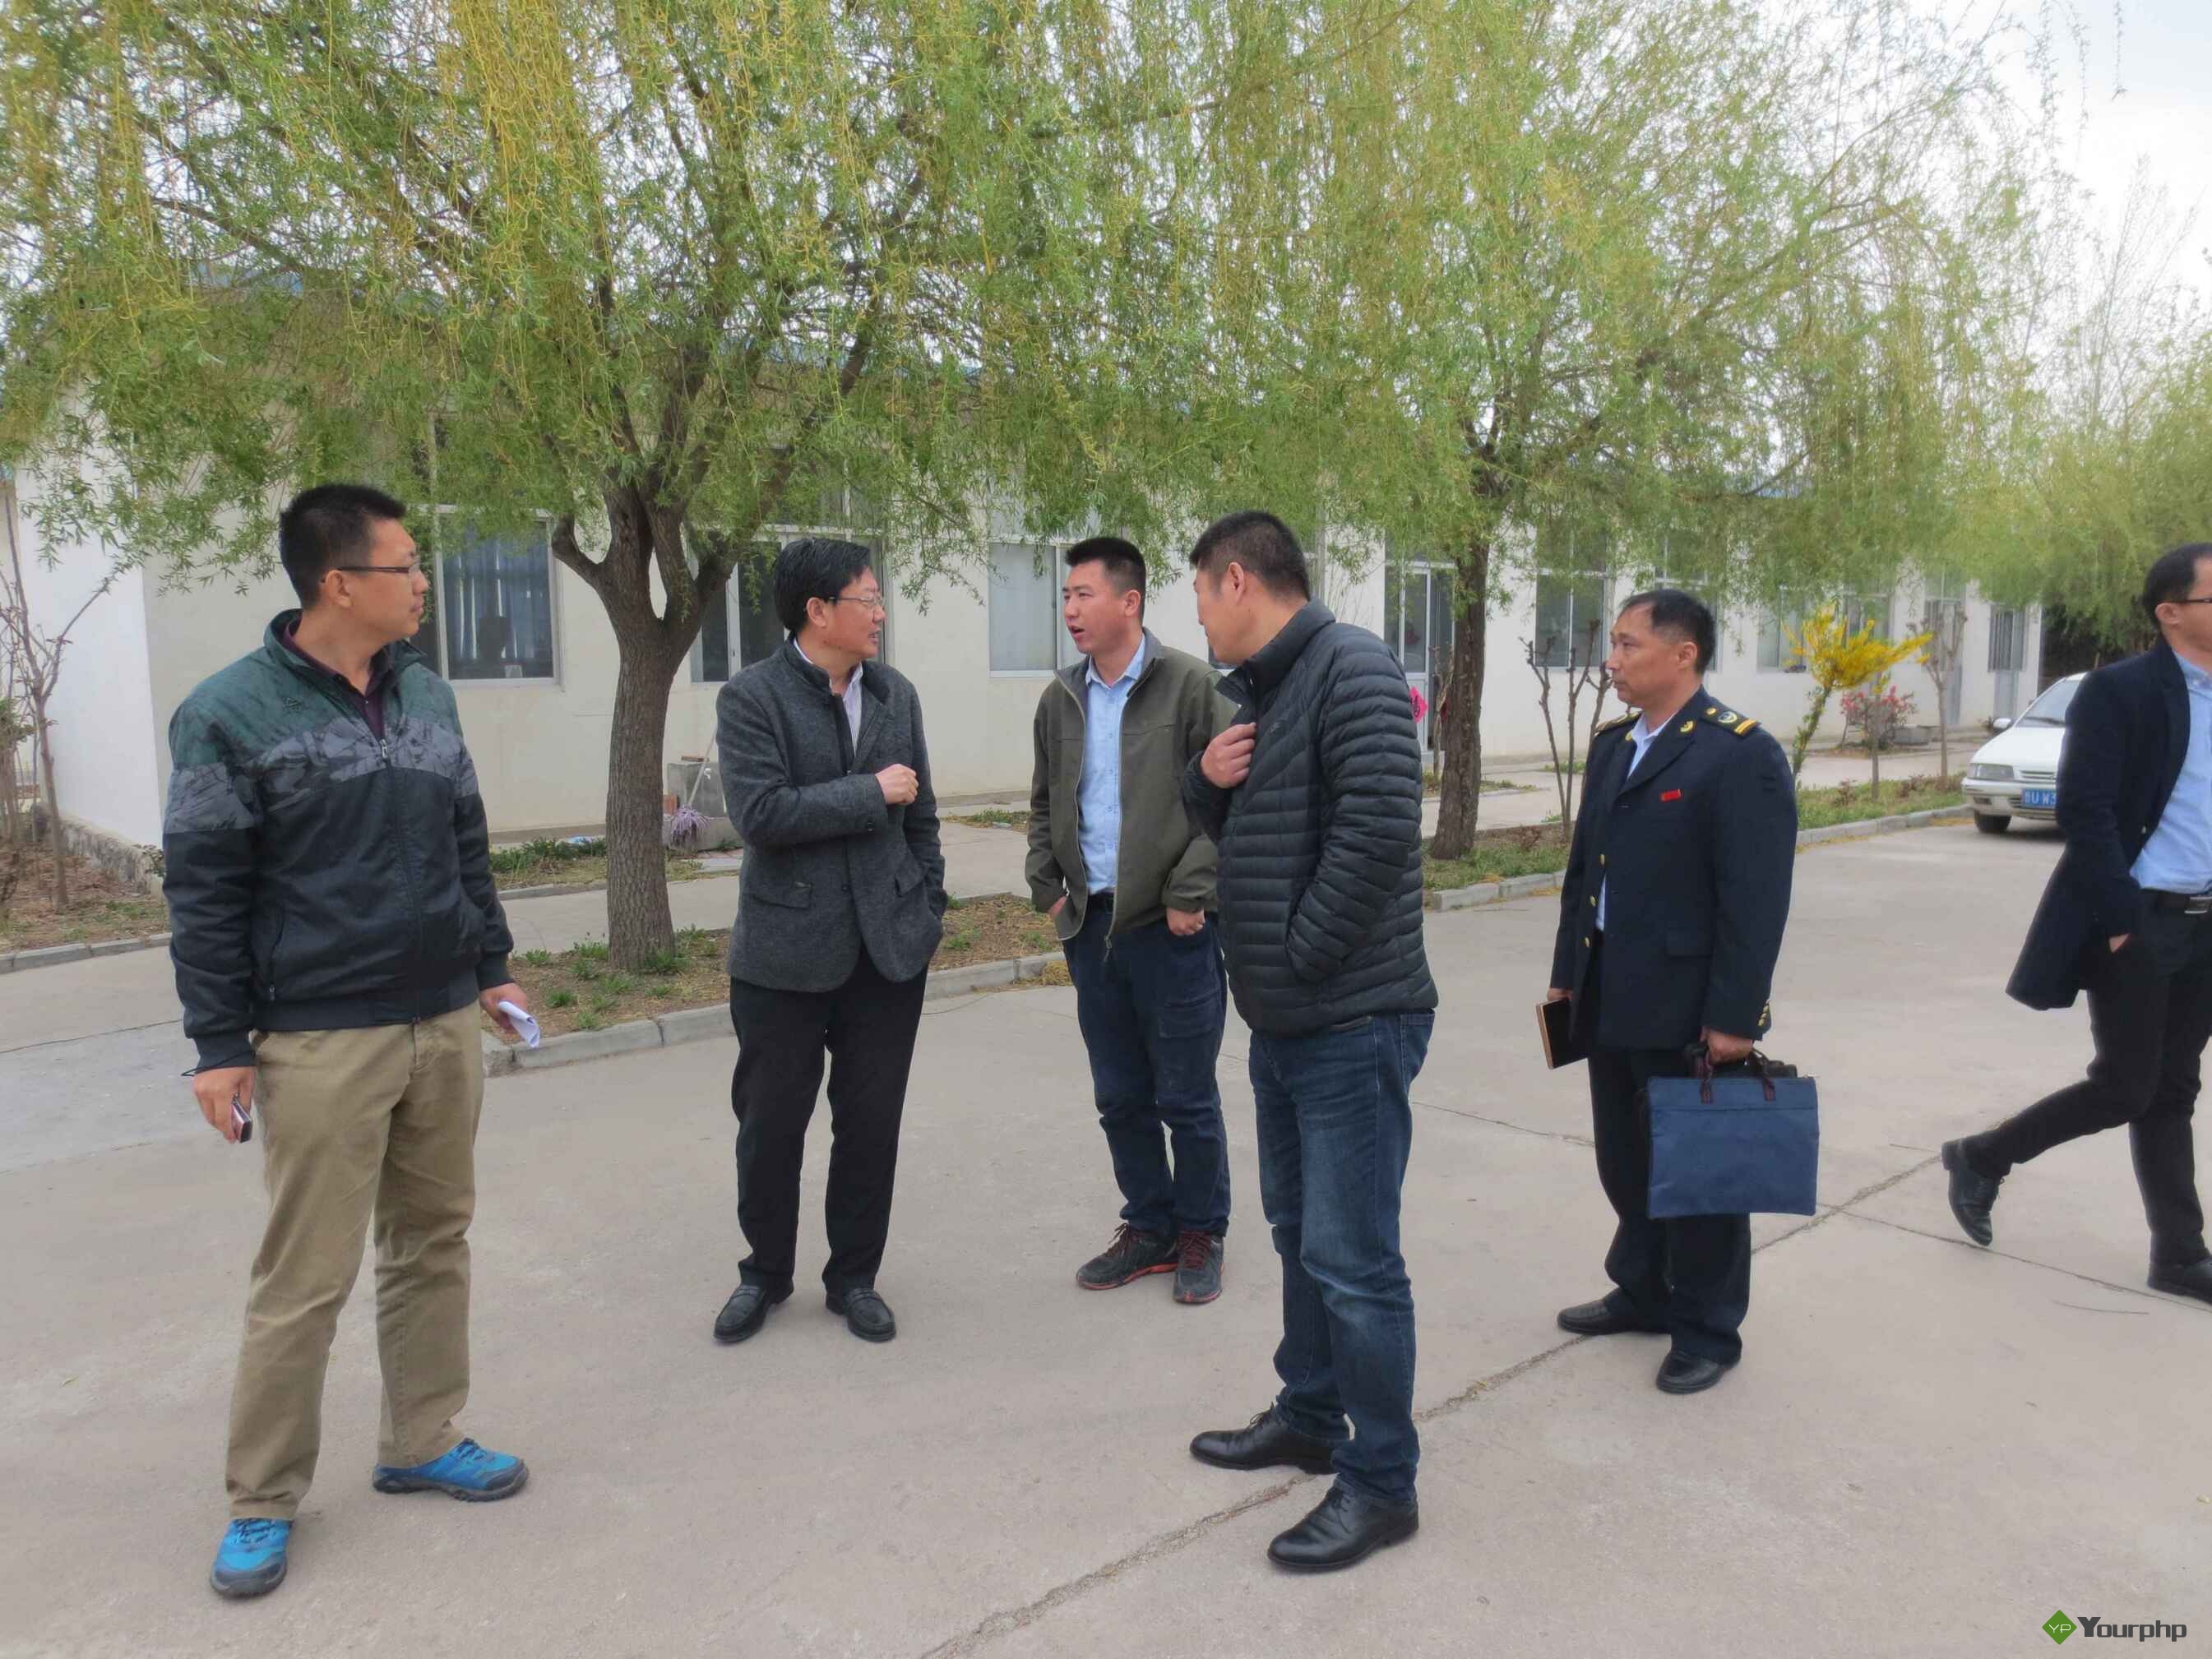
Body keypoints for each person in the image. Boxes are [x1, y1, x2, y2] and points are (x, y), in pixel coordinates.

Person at [164, 484, 532, 1600]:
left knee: (433, 1240)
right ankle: (261, 1497)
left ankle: (421, 1436)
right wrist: (218, 1043)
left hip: (440, 1018)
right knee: (304, 1277)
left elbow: (465, 841)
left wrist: (492, 966)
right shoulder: (229, 713)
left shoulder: (427, 691)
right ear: (337, 582)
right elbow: (205, 890)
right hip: (321, 1033)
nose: (423, 583)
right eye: (405, 565)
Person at [1178, 511, 1437, 1573]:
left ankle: (1381, 1482)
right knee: (1298, 1233)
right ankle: (1310, 1413)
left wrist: (1293, 955)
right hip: (1288, 1019)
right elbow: (1252, 831)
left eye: (1200, 593)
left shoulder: (1352, 668)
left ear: (1238, 580)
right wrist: (1204, 781)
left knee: (1353, 1257)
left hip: (1348, 1017)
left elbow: (1375, 831)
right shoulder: (1268, 691)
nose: (1198, 617)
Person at [1943, 543, 2212, 1305]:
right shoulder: (2119, 691)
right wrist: (2122, 920)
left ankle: (2180, 1256)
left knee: (2174, 1088)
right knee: (2126, 1087)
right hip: (2141, 919)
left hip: (2207, 922)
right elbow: (2084, 809)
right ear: (2171, 612)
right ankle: (1983, 1156)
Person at [1546, 589, 1796, 1395]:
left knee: (1700, 1173)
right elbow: (1584, 876)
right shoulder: (1615, 746)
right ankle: (1645, 1290)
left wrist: (1735, 1017)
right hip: (1609, 991)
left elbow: (1754, 902)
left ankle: (1708, 1328)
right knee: (1624, 1159)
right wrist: (1565, 972)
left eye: (1628, 645)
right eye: (1613, 643)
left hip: (1687, 1003)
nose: (1611, 660)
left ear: (1683, 653)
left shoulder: (1737, 754)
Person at [712, 538, 946, 1347]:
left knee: (870, 1126)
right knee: (770, 1127)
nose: (880, 613)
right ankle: (764, 1274)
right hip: (783, 956)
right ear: (817, 611)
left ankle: (854, 1278)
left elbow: (922, 815)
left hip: (888, 951)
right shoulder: (751, 697)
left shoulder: (895, 694)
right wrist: (868, 792)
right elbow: (761, 814)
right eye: (866, 598)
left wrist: (927, 905)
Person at [1026, 537, 1234, 1304]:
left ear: (1130, 601)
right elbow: (1045, 802)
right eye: (1066, 596)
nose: (1070, 610)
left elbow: (1231, 802)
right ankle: (1149, 1225)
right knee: (1119, 1095)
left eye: (1084, 594)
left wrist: (1191, 892)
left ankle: (1200, 1232)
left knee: (1186, 1096)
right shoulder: (1061, 698)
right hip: (1092, 928)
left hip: (1171, 929)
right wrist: (1048, 888)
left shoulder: (1191, 686)